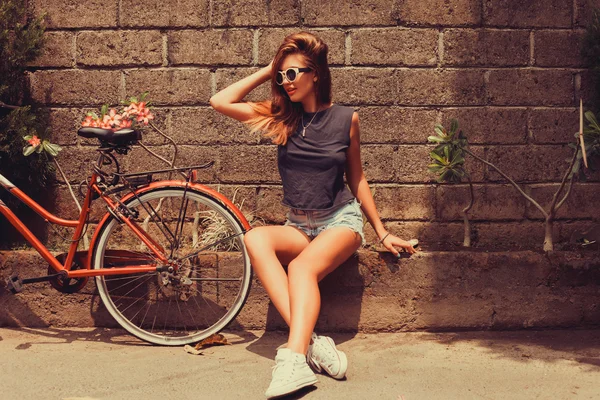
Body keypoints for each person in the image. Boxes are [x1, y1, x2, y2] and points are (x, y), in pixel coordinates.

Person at [210, 31, 417, 399]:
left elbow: (357, 177)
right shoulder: (279, 118)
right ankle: (312, 341)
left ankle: (292, 359)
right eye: (281, 76)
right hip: (299, 224)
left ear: (316, 73)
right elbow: (220, 100)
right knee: (255, 237)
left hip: (340, 221)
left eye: (293, 74)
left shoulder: (345, 119)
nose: (285, 82)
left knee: (301, 269)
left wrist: (381, 232)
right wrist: (268, 69)